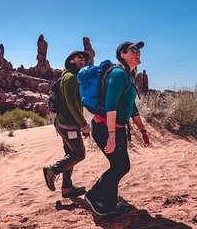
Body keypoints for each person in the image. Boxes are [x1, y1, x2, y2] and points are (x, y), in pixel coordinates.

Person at [84, 41, 150, 216]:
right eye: (133, 50)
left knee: (118, 165)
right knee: (121, 166)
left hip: (116, 128)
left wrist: (143, 130)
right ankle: (93, 195)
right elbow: (110, 105)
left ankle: (110, 204)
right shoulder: (119, 74)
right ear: (122, 54)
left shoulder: (128, 76)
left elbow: (132, 107)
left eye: (139, 50)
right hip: (104, 127)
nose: (138, 53)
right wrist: (111, 136)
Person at [43, 51, 91, 198]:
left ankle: (67, 187)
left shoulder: (73, 77)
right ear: (71, 61)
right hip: (68, 124)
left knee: (70, 155)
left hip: (66, 123)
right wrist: (83, 124)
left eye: (84, 58)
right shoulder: (70, 78)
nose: (82, 60)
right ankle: (52, 170)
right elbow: (72, 104)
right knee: (78, 154)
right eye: (79, 57)